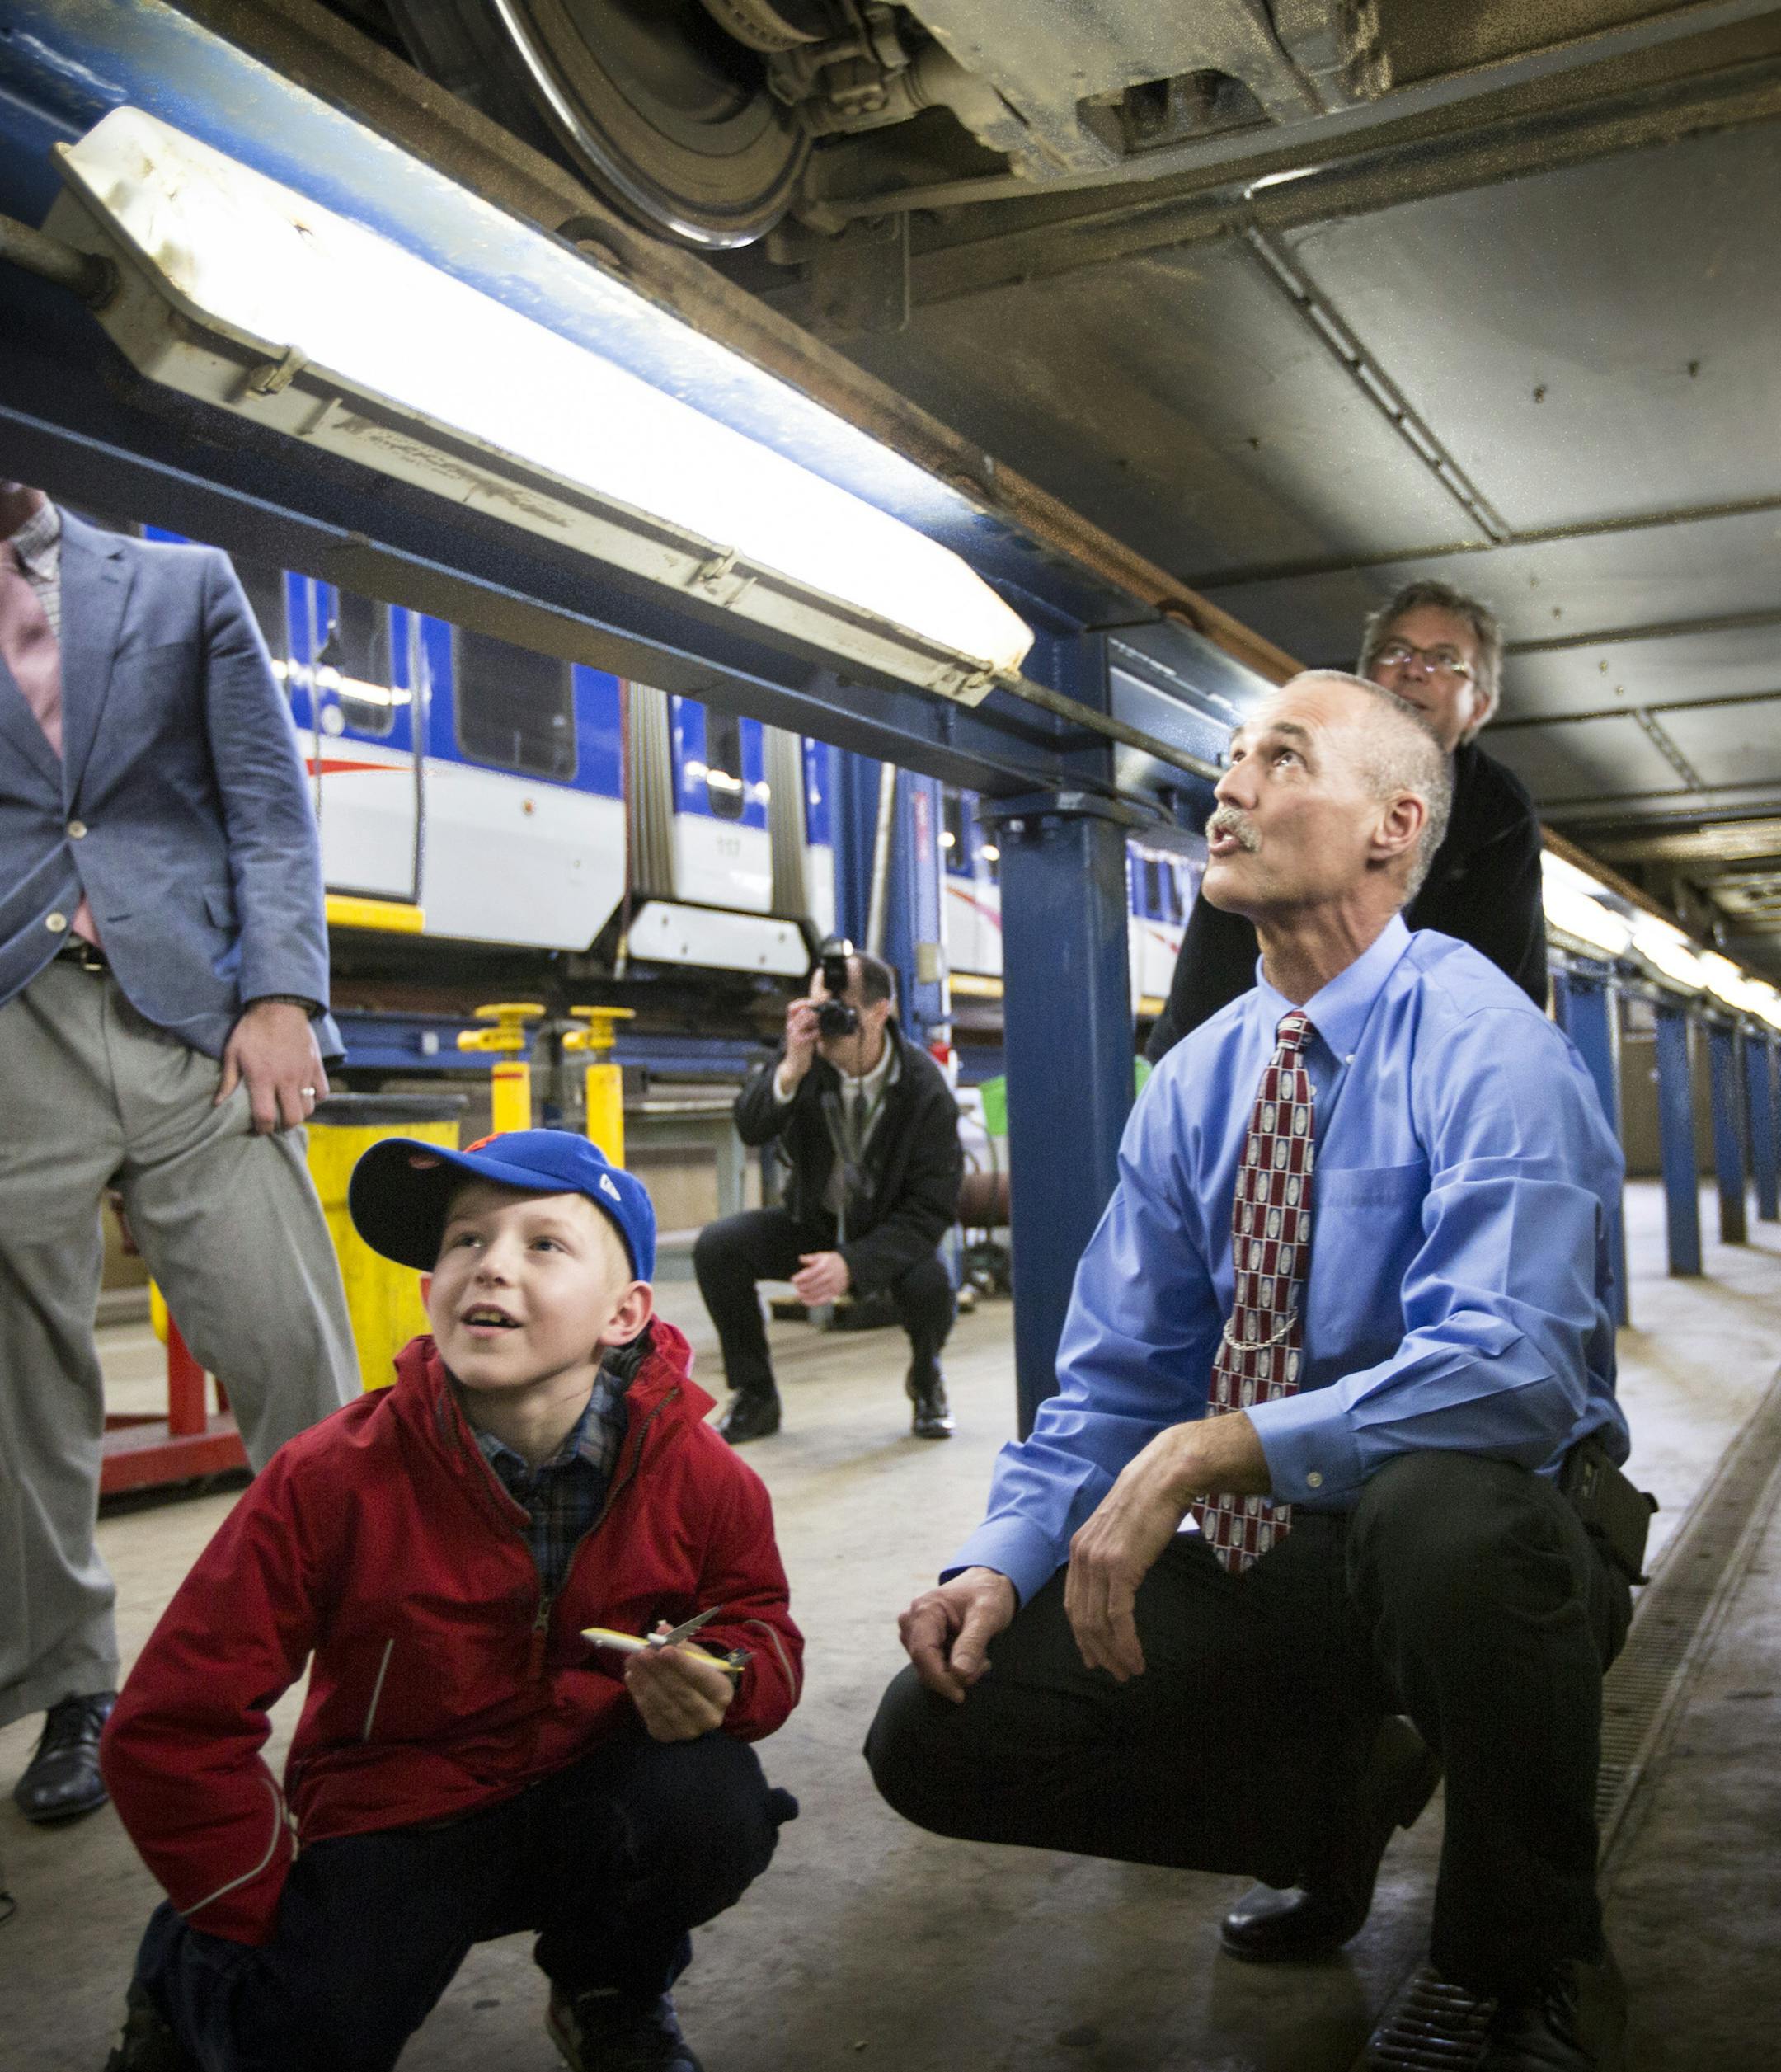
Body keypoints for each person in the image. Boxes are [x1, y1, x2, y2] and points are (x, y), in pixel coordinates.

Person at [868, 673, 1636, 2072]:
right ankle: (1332, 1807)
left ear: (1394, 827)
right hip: (1268, 1555)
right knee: (940, 1730)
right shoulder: (1203, 1079)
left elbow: (1512, 1368)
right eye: (1227, 760)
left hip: (1475, 1550)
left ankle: (1526, 1953)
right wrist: (1001, 1556)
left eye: (1281, 759)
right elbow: (1113, 1381)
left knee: (1448, 1520)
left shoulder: (1490, 1047)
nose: (1228, 787)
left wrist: (1217, 1447)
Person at [99, 1128, 803, 2072]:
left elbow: (758, 1620)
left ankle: (611, 1987)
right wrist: (247, 1901)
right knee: (306, 2033)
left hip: (587, 1787)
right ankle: (187, 1983)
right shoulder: (330, 1477)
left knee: (710, 1808)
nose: (489, 1268)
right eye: (464, 1240)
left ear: (626, 1311)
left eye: (542, 1243)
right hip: (401, 1813)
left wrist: (728, 1674)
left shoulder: (699, 1473)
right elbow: (170, 1724)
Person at [0, 481, 357, 1830]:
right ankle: (68, 1680)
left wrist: (282, 995)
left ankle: (371, 1657)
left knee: (291, 1346)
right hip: (9, 1026)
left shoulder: (182, 582)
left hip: (197, 1019)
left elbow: (267, 802)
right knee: (18, 1381)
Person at [1145, 578, 1546, 1062]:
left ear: (1478, 706)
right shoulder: (1285, 771)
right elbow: (1217, 958)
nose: (1415, 670)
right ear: (1365, 679)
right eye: (1396, 651)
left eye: (1444, 660)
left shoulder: (1498, 811)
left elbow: (1498, 979)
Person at [695, 947, 963, 1444]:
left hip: (885, 1232)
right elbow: (751, 1126)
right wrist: (790, 1071)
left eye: (840, 1011)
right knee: (718, 1247)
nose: (827, 1025)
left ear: (880, 1012)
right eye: (819, 1008)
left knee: (930, 1287)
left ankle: (927, 1378)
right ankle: (756, 1395)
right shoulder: (807, 1059)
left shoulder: (925, 1090)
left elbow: (931, 1210)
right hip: (814, 1223)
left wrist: (854, 1264)